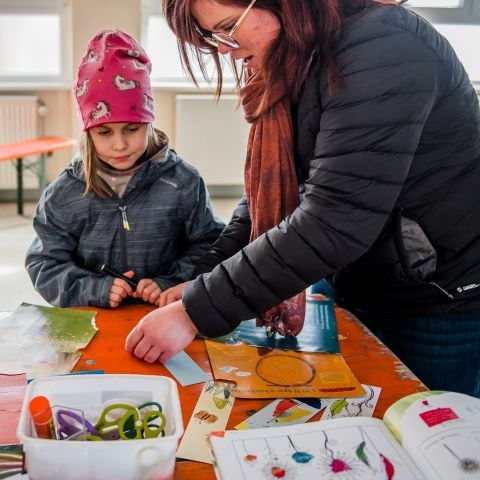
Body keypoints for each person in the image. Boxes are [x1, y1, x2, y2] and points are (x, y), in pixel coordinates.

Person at [125, 0, 480, 396]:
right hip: (361, 277)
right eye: (211, 37)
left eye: (227, 28)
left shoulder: (383, 46)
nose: (222, 48)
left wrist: (195, 311)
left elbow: (334, 219)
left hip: (436, 298)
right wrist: (203, 276)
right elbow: (274, 196)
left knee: (430, 438)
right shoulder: (302, 56)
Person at [25, 28, 224, 309]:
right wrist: (94, 288)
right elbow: (45, 264)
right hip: (92, 317)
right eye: (104, 132)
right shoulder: (64, 194)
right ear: (88, 133)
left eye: (132, 129)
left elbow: (208, 245)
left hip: (165, 313)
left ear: (149, 122)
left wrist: (170, 281)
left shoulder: (184, 181)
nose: (119, 145)